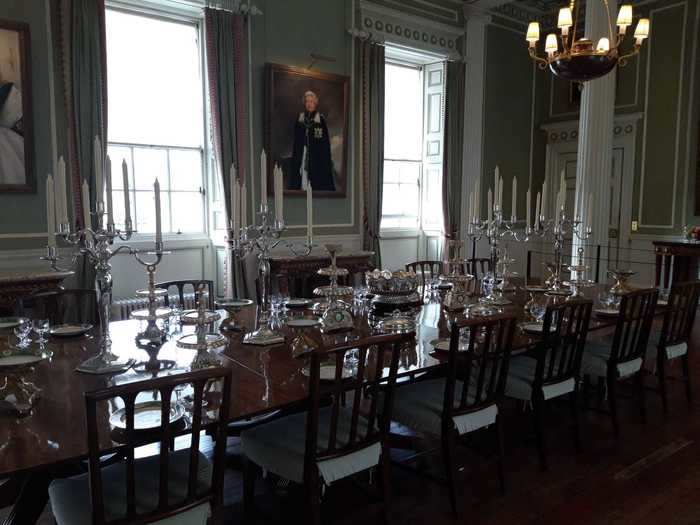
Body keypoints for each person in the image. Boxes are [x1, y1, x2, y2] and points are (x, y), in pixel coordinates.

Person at [289, 90, 335, 191]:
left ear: (315, 103)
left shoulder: (320, 119)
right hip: (302, 152)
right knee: (301, 174)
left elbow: (324, 142)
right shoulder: (300, 118)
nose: (309, 104)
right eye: (307, 101)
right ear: (304, 103)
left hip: (316, 156)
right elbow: (297, 141)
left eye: (311, 101)